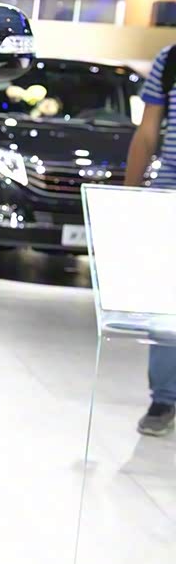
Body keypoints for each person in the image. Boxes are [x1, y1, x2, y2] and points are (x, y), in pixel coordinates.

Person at [124, 44, 176, 436]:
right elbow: (147, 133)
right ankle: (165, 398)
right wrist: (128, 200)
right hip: (168, 198)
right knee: (165, 307)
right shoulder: (170, 60)